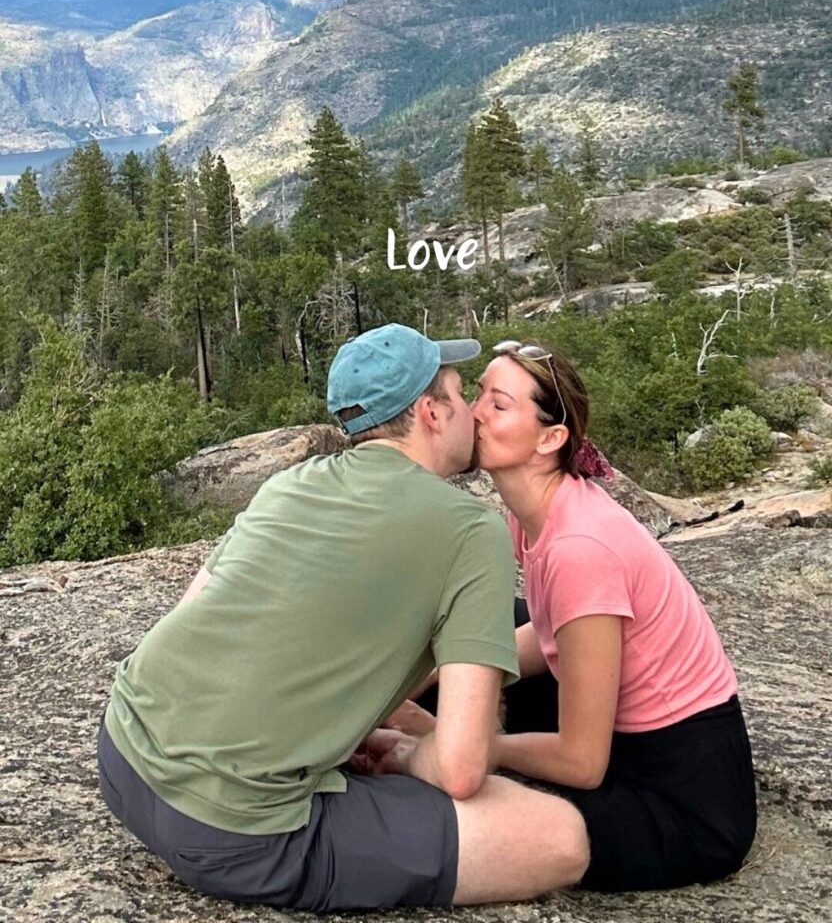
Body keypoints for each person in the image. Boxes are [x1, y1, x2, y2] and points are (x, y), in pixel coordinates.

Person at [96, 323, 589, 913]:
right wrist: (405, 756)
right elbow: (461, 768)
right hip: (237, 832)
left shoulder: (287, 485)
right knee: (559, 836)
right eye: (461, 394)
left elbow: (199, 610)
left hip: (123, 758)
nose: (472, 412)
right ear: (431, 412)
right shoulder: (469, 530)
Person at [466, 339, 758, 891]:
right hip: (627, 736)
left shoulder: (580, 549)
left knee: (492, 827)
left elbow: (581, 764)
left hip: (685, 800)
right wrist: (435, 675)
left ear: (550, 439)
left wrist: (472, 744)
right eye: (478, 393)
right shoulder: (534, 512)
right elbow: (548, 632)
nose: (475, 411)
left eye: (497, 404)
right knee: (473, 638)